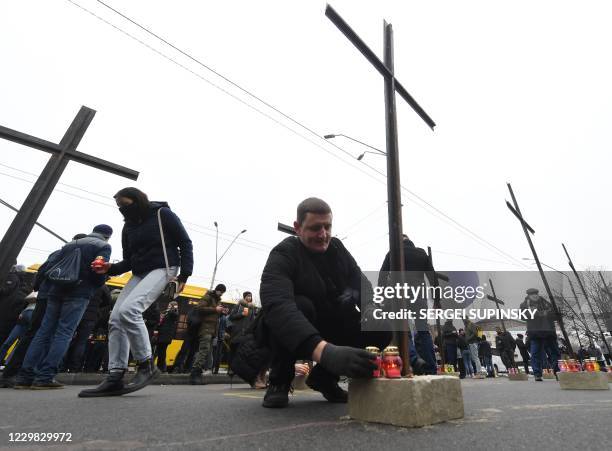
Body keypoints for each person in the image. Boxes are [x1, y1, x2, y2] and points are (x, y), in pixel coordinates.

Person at [259, 198, 391, 408]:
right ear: (297, 228)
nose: (323, 235)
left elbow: (361, 283)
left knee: (381, 323)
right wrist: (326, 353)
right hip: (296, 328)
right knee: (300, 306)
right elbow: (278, 305)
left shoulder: (337, 248)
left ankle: (325, 378)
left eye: (327, 227)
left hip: (331, 325)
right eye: (315, 228)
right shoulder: (283, 253)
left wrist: (369, 307)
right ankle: (280, 380)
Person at [79, 187, 193, 397]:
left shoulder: (162, 214)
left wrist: (184, 275)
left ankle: (146, 364)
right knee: (115, 318)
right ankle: (116, 374)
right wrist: (109, 269)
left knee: (130, 310)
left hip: (164, 267)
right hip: (140, 272)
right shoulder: (128, 227)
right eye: (119, 206)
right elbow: (129, 261)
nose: (123, 209)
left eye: (125, 204)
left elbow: (185, 243)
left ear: (138, 200)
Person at [14, 225, 112, 389]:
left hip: (55, 291)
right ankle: (45, 377)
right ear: (108, 236)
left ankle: (25, 377)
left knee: (43, 332)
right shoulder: (103, 246)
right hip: (79, 292)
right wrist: (97, 285)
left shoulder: (70, 244)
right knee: (64, 333)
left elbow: (49, 267)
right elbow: (98, 269)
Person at [0, 235, 87, 388]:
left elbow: (42, 272)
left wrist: (39, 288)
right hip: (54, 296)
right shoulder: (76, 256)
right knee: (44, 335)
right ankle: (23, 374)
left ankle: (16, 374)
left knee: (34, 334)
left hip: (45, 296)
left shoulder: (59, 252)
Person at [378, 236, 437, 374]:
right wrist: (437, 299)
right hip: (419, 295)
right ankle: (431, 368)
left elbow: (382, 274)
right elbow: (432, 277)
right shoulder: (421, 253)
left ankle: (414, 359)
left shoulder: (393, 252)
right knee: (423, 331)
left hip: (399, 294)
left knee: (402, 330)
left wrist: (381, 294)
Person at [63, 285, 112, 373]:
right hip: (90, 316)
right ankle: (75, 367)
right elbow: (108, 300)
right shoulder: (102, 286)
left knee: (67, 338)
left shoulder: (82, 280)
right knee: (81, 342)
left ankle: (62, 365)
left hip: (75, 312)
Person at [190, 284, 228, 384]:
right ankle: (194, 374)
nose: (221, 293)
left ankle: (199, 373)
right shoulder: (208, 296)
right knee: (203, 350)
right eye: (220, 291)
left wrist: (222, 312)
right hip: (205, 328)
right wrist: (215, 309)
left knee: (207, 352)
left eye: (222, 292)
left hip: (212, 330)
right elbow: (199, 308)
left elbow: (215, 313)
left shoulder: (218, 300)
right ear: (217, 290)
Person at [519, 288, 560, 381]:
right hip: (535, 332)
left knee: (554, 352)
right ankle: (537, 374)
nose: (535, 295)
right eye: (533, 294)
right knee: (535, 353)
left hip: (549, 331)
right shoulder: (525, 305)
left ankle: (558, 372)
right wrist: (539, 314)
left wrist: (550, 314)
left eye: (536, 294)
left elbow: (554, 315)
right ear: (529, 295)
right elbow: (522, 316)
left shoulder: (546, 303)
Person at [228, 291, 265, 387]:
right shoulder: (239, 306)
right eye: (247, 296)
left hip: (246, 335)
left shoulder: (252, 308)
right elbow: (231, 317)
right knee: (234, 351)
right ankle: (231, 369)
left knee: (242, 352)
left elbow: (253, 321)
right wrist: (241, 315)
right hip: (236, 333)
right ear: (244, 297)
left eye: (250, 296)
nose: (249, 297)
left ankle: (242, 371)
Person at [0, 292, 36, 365]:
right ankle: (7, 362)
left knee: (14, 342)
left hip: (30, 314)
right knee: (14, 342)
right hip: (27, 314)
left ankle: (9, 363)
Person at [155, 301, 179, 372]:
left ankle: (161, 368)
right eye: (168, 305)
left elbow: (174, 314)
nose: (168, 306)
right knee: (160, 352)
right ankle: (162, 367)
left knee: (162, 352)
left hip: (166, 336)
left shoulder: (173, 313)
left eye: (170, 305)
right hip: (162, 335)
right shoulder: (166, 312)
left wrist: (174, 308)